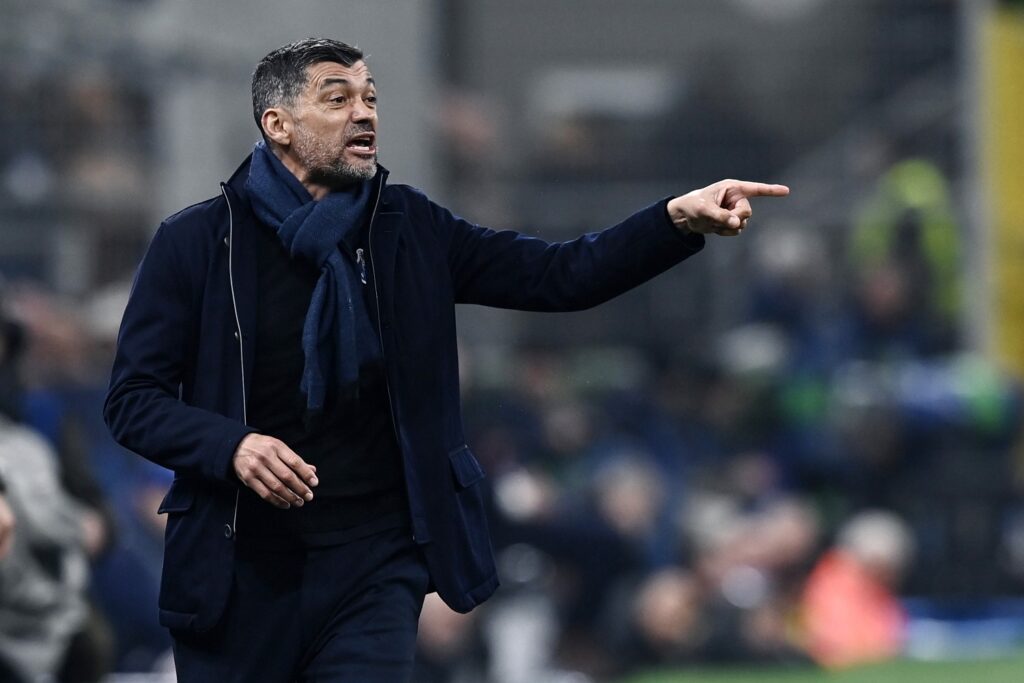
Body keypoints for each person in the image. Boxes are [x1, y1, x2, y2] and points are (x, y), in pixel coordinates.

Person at [103, 37, 789, 682]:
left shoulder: (410, 228)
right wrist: (231, 445)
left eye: (371, 97)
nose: (364, 113)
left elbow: (559, 275)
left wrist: (672, 221)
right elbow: (133, 401)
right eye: (338, 99)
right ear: (277, 124)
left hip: (374, 565)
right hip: (238, 568)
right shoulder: (196, 243)